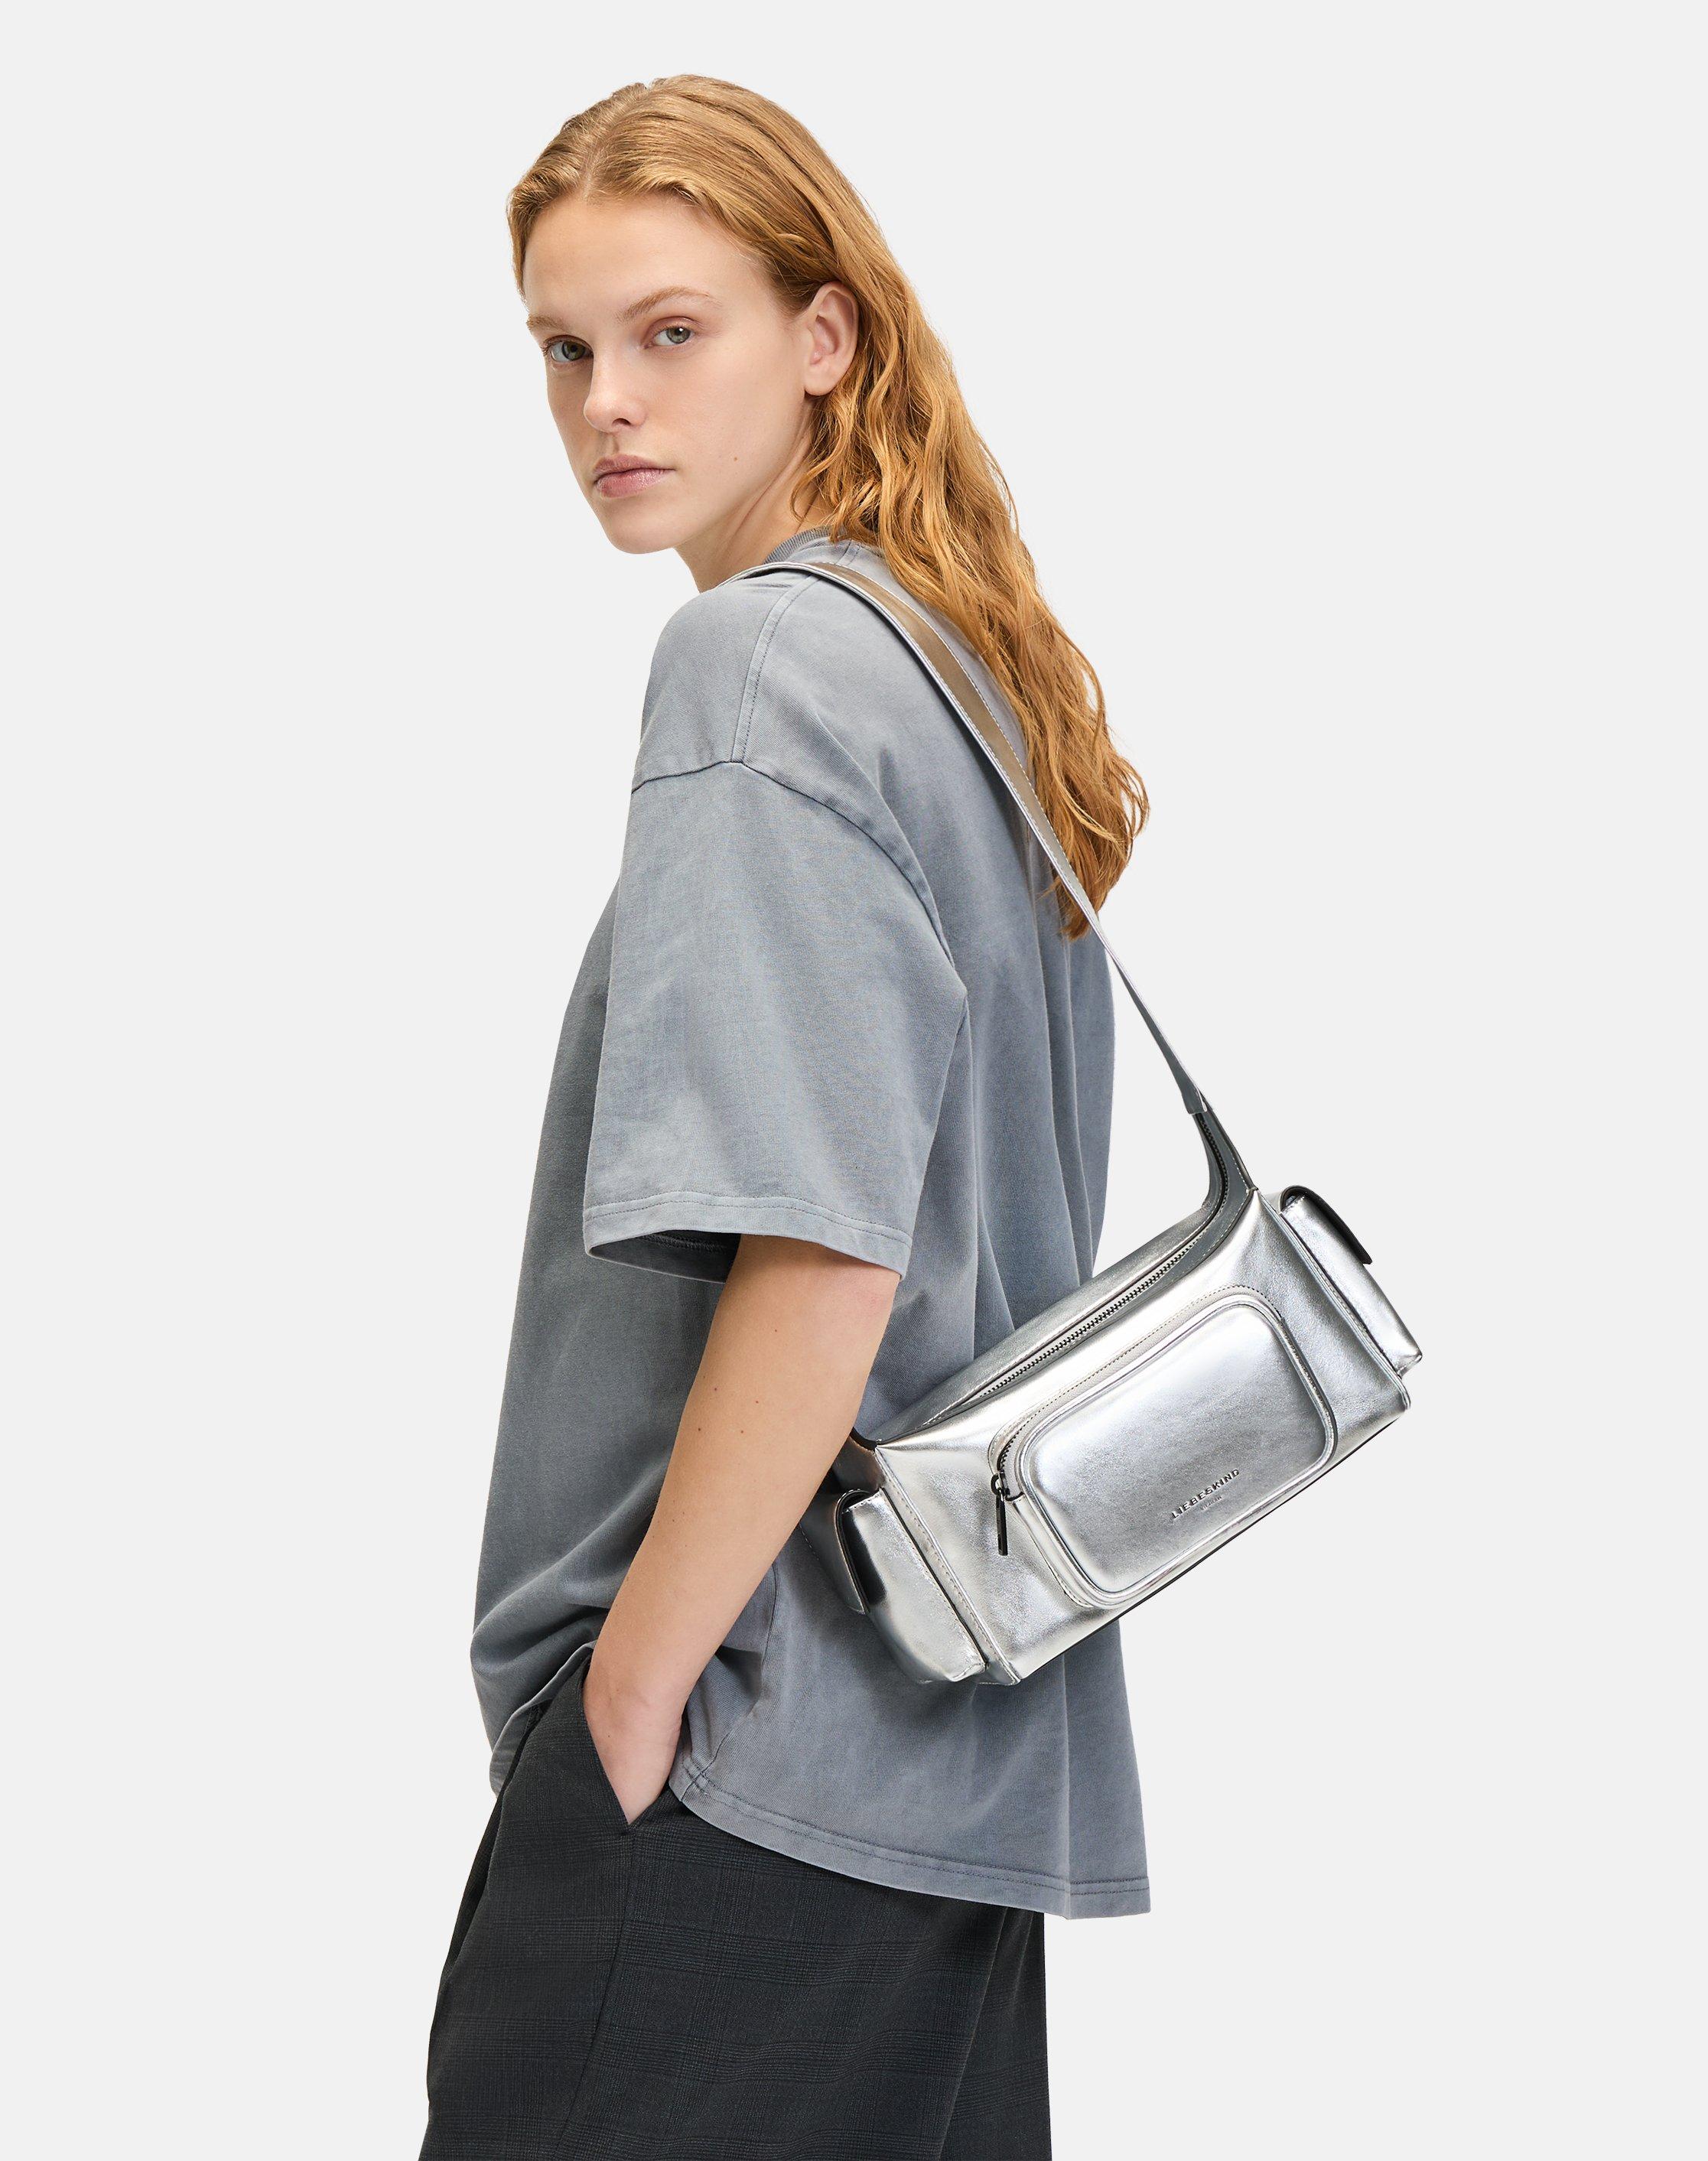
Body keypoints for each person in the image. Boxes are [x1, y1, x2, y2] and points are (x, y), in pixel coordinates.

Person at [418, 74, 1157, 2161]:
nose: (605, 405)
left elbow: (826, 1258)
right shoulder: (959, 682)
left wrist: (631, 1700)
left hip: (747, 1755)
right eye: (564, 349)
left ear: (825, 336)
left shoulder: (758, 672)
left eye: (673, 331)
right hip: (951, 1771)